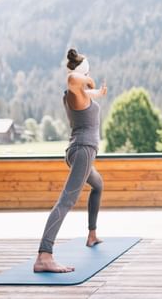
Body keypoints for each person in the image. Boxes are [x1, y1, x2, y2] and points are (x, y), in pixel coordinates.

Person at [33, 49, 107, 273]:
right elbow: (72, 78)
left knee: (98, 184)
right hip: (83, 151)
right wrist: (88, 78)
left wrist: (97, 92)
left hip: (80, 150)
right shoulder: (74, 89)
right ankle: (44, 255)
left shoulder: (81, 95)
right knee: (66, 201)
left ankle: (92, 235)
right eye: (87, 73)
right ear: (83, 73)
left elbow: (87, 91)